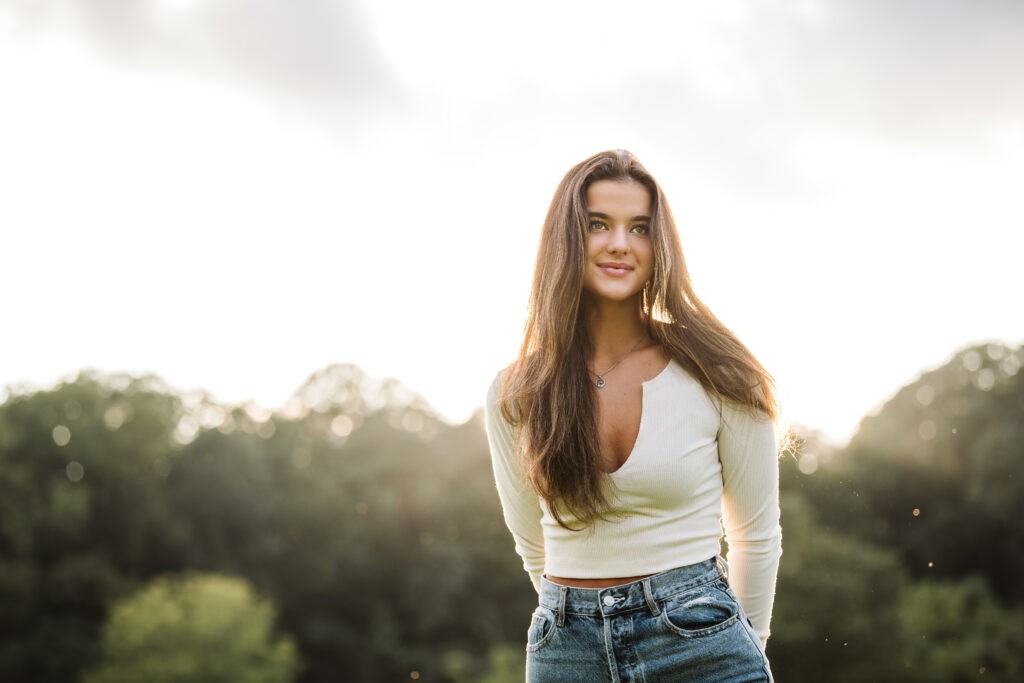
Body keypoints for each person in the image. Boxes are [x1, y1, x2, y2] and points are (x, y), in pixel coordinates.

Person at [484, 149, 782, 682]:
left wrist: (746, 646)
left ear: (659, 245)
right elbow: (532, 540)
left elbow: (756, 536)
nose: (620, 243)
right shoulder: (517, 392)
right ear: (567, 238)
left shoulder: (720, 374)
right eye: (598, 224)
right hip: (564, 652)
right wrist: (576, 616)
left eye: (640, 228)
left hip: (702, 644)